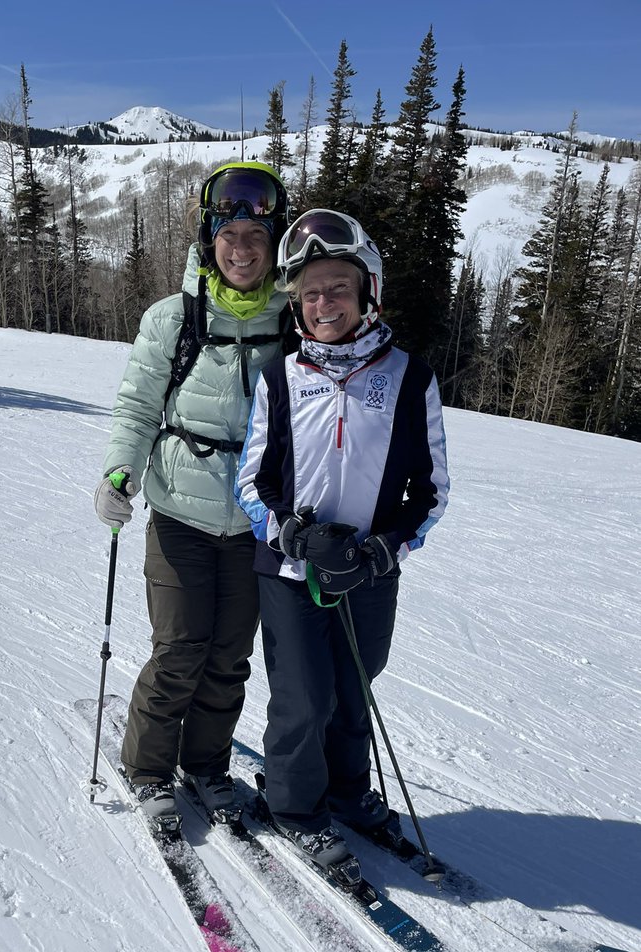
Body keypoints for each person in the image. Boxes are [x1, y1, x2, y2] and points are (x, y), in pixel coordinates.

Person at [236, 209, 450, 880]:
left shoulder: (410, 379)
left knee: (357, 686)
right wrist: (294, 534)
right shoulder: (280, 376)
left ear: (367, 294)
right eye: (311, 292)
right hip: (291, 570)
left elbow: (434, 488)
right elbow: (250, 481)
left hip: (369, 574)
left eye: (338, 288)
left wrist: (386, 549)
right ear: (296, 302)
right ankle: (295, 808)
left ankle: (346, 791)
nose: (324, 303)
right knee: (304, 693)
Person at [94, 162, 293, 830]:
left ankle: (205, 766)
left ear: (274, 244)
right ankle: (148, 768)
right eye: (229, 233)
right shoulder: (171, 320)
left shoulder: (291, 326)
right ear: (210, 239)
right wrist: (119, 472)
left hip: (253, 524)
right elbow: (136, 406)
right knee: (179, 650)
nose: (241, 248)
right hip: (179, 512)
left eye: (256, 238)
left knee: (228, 659)